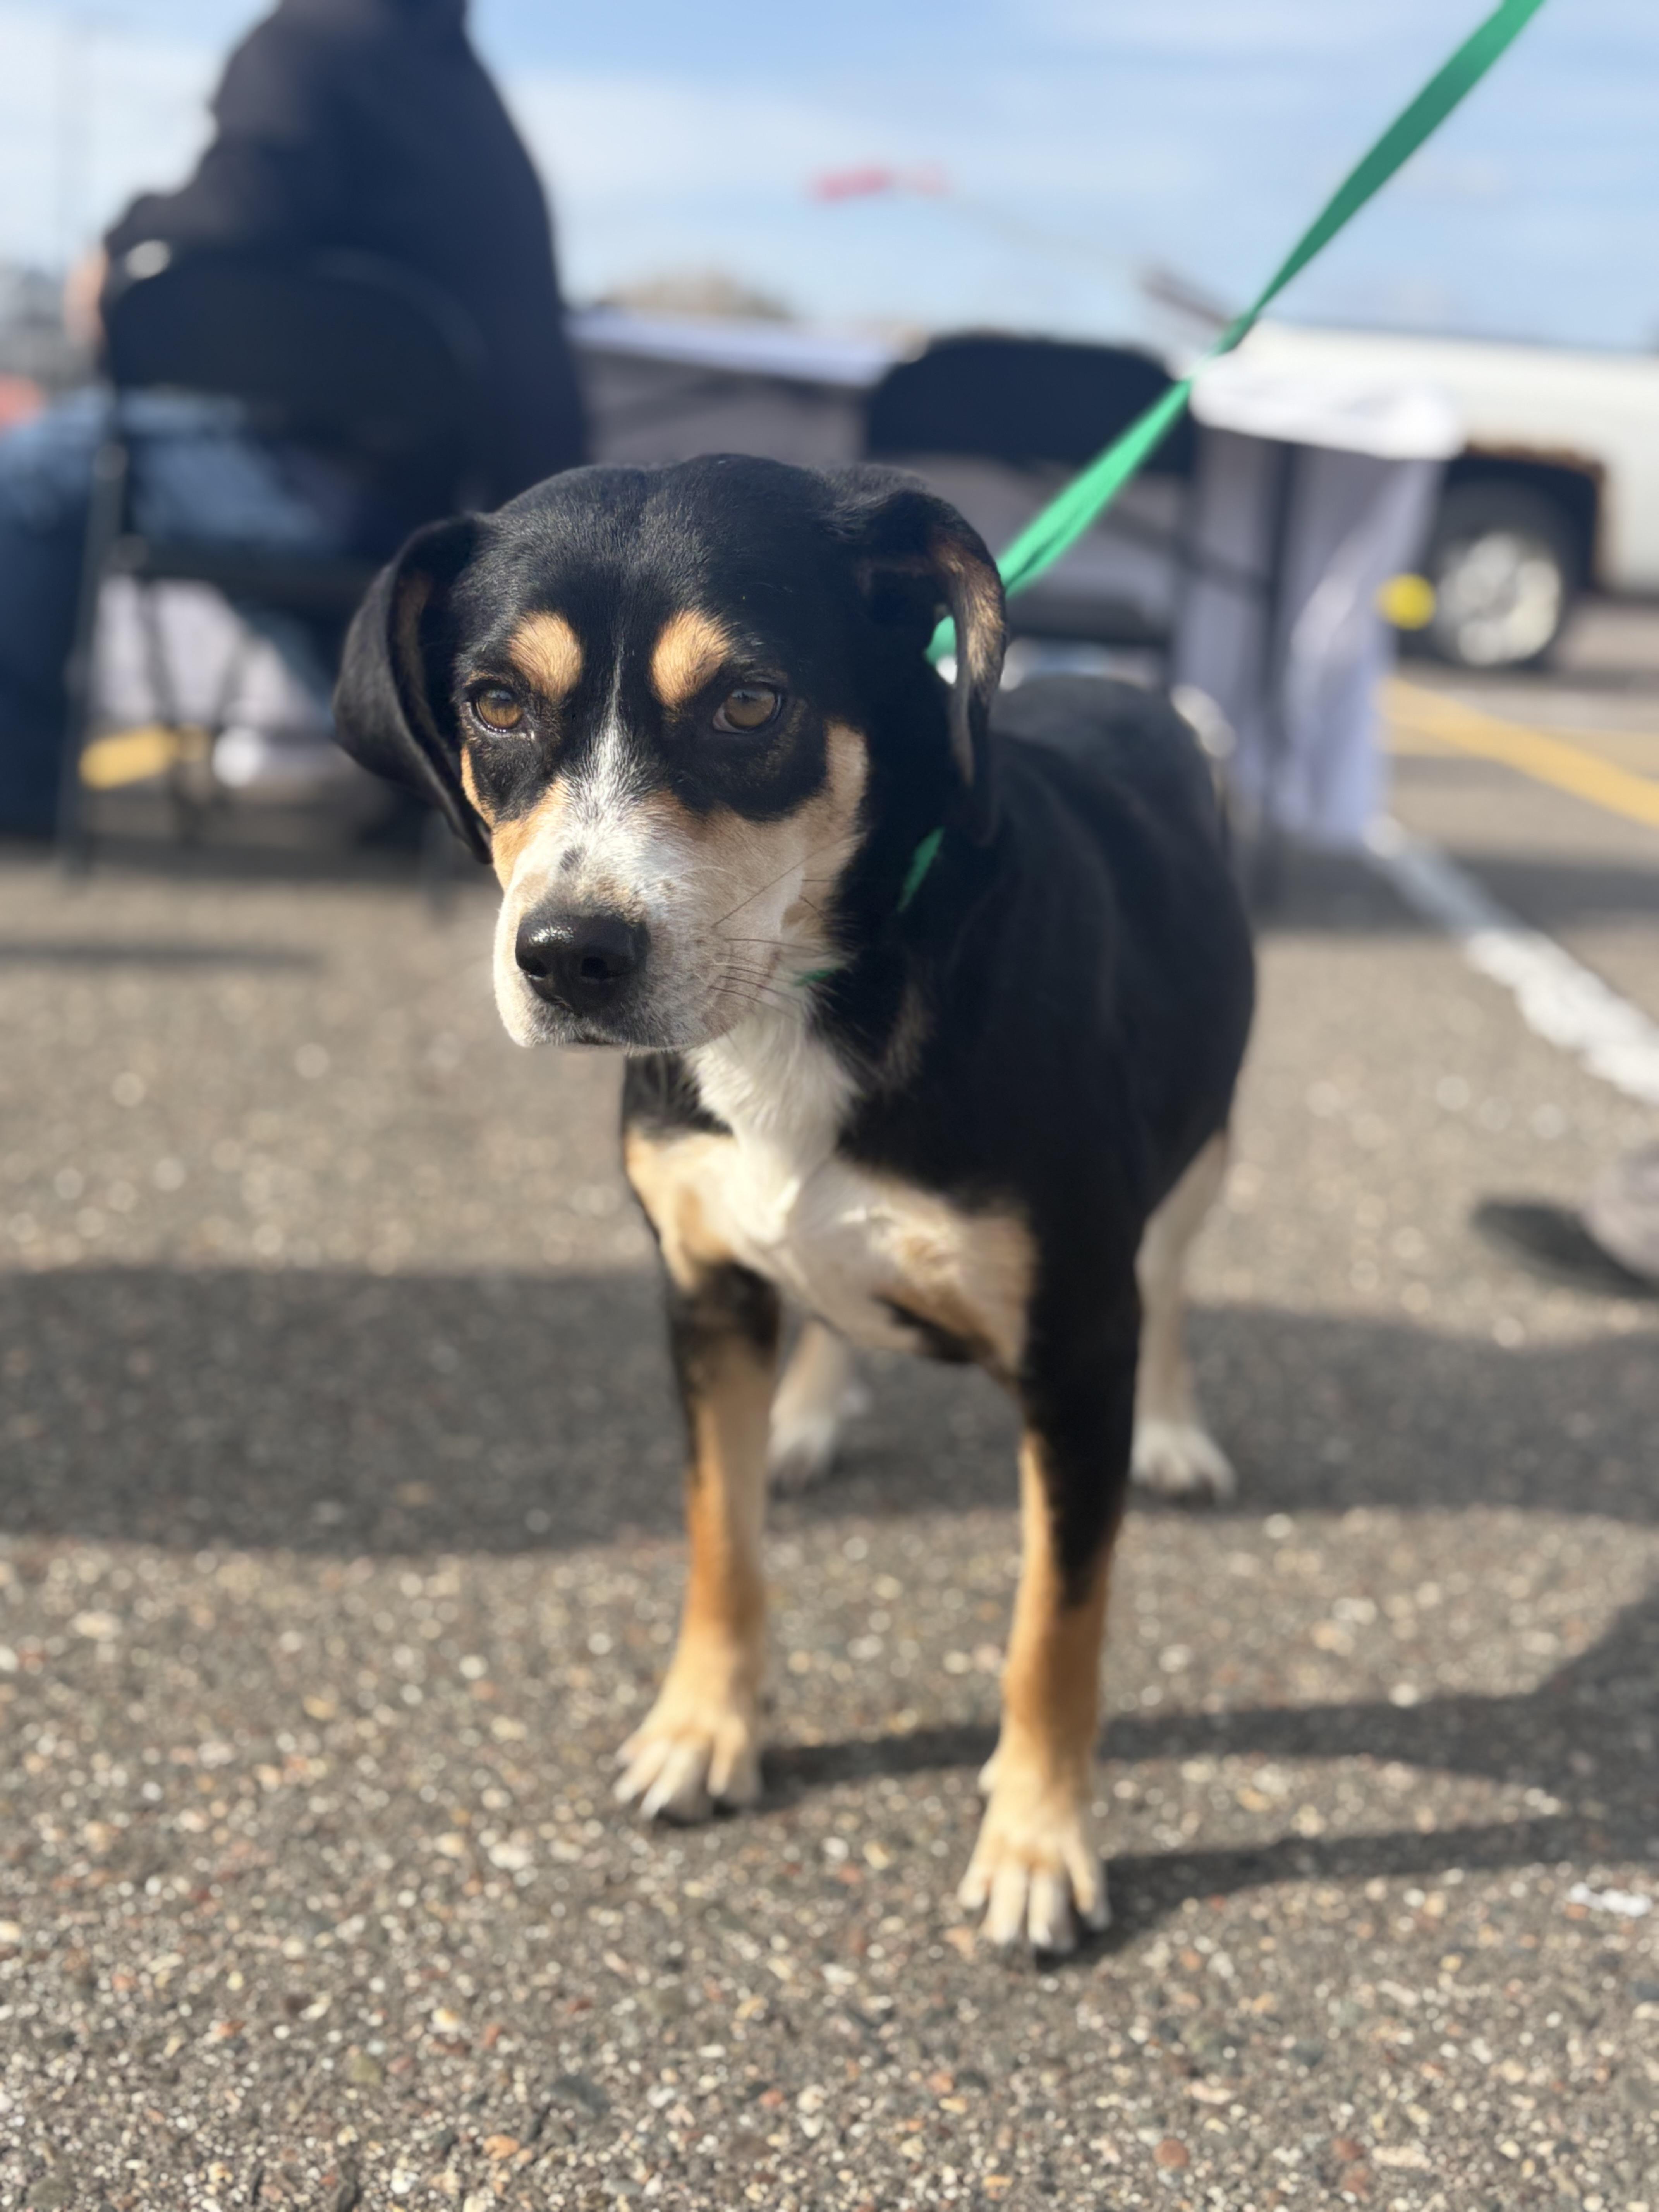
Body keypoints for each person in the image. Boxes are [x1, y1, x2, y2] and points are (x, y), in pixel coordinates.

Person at [0, 0, 586, 836]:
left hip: (313, 496)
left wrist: (120, 248)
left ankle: (15, 787)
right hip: (436, 526)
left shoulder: (306, 41)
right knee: (224, 516)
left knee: (40, 467)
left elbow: (244, 198)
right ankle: (407, 772)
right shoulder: (467, 96)